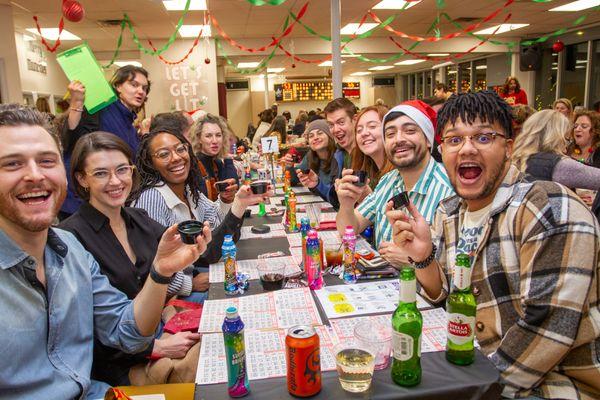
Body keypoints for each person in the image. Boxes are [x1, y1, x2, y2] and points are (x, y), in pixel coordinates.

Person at [386, 91, 600, 399]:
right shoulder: (449, 212)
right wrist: (423, 258)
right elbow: (444, 297)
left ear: (508, 148)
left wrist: (470, 390)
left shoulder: (547, 207)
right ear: (442, 150)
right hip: (474, 367)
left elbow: (547, 330)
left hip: (550, 386)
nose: (467, 149)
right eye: (455, 140)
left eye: (484, 138)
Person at [0, 105, 210, 399]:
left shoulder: (69, 250)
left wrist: (160, 272)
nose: (35, 175)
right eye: (12, 164)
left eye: (46, 161)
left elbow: (126, 330)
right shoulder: (77, 235)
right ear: (81, 178)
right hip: (122, 370)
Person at [59, 132, 204, 385]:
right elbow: (83, 328)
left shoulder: (138, 219)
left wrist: (169, 314)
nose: (115, 181)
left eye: (122, 170)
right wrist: (156, 347)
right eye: (101, 173)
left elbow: (163, 278)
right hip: (119, 363)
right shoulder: (71, 237)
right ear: (82, 179)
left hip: (159, 334)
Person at [336, 100, 454, 266]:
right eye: (390, 134)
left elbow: (464, 264)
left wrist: (416, 260)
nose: (398, 139)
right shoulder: (388, 181)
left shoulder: (449, 190)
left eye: (410, 131)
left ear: (428, 140)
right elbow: (348, 229)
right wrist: (346, 205)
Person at [131, 129, 269, 270]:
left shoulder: (188, 190)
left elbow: (217, 227)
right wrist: (191, 283)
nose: (176, 157)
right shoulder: (151, 197)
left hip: (202, 266)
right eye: (164, 154)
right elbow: (154, 262)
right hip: (177, 287)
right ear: (150, 163)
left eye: (180, 149)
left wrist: (230, 201)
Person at [59, 66, 151, 218]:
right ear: (118, 86)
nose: (141, 91)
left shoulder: (129, 120)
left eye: (144, 88)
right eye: (134, 85)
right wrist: (76, 102)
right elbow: (71, 135)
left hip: (108, 200)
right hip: (81, 204)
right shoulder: (102, 105)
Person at [512, 110, 600, 206]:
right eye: (566, 137)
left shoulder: (519, 158)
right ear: (556, 136)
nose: (567, 143)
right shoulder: (558, 165)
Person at [191, 114, 239, 202]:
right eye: (208, 136)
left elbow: (232, 191)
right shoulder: (194, 165)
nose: (215, 141)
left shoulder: (217, 162)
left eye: (218, 135)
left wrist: (227, 159)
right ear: (199, 139)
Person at [289, 119, 339, 201]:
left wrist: (317, 184)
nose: (315, 138)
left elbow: (335, 196)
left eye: (320, 133)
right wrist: (289, 166)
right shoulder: (311, 155)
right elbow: (294, 178)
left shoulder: (338, 157)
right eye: (311, 136)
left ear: (330, 136)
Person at [350, 105, 394, 190]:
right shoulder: (365, 172)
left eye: (372, 126)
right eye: (359, 130)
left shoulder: (400, 173)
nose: (364, 133)